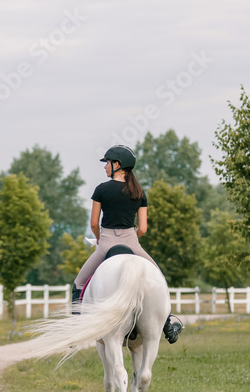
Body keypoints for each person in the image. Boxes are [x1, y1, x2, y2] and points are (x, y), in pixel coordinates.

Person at [72, 145, 182, 344]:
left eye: (107, 162)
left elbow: (94, 223)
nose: (105, 167)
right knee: (160, 280)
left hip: (106, 243)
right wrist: (131, 237)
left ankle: (75, 328)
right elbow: (143, 229)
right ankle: (167, 325)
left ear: (117, 165)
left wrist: (99, 238)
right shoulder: (139, 192)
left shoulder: (101, 190)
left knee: (79, 283)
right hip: (132, 244)